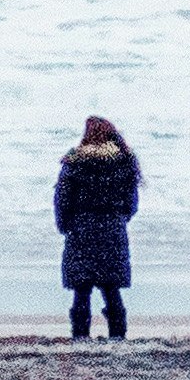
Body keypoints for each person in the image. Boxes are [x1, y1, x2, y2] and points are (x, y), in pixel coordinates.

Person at [53, 115, 141, 340]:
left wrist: (64, 225)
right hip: (112, 229)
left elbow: (62, 199)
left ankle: (80, 336)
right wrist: (118, 220)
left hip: (81, 229)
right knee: (111, 288)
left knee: (81, 289)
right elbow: (131, 204)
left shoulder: (74, 162)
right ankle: (118, 336)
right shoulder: (123, 161)